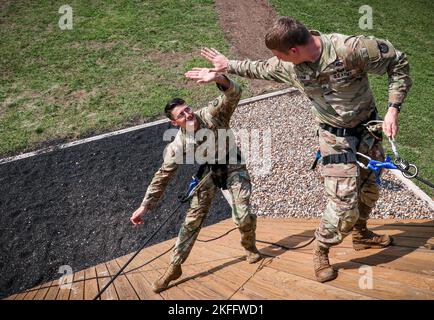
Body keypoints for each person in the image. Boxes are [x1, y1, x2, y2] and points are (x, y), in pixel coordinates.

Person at [198, 16, 412, 283]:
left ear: (295, 51)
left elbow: (398, 62)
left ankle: (361, 234)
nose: (279, 61)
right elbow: (259, 68)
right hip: (334, 138)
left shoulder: (351, 49)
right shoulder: (290, 66)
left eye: (281, 56)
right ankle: (321, 249)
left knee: (370, 190)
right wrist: (226, 66)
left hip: (368, 131)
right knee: (344, 204)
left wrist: (393, 110)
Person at [130, 68, 262, 293]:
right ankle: (175, 267)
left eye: (187, 109)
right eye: (181, 115)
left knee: (242, 214)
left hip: (232, 165)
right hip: (209, 172)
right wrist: (145, 205)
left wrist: (219, 78)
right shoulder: (178, 144)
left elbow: (235, 93)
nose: (188, 115)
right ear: (174, 123)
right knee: (191, 221)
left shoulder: (211, 114)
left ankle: (249, 246)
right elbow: (163, 175)